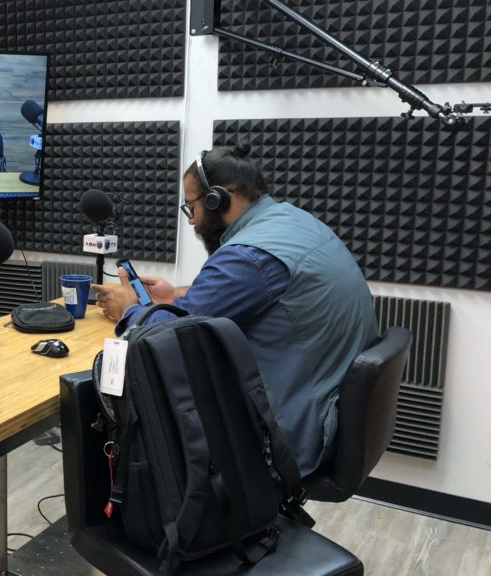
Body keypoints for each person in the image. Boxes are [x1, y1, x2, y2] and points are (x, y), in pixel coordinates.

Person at [93, 143, 379, 476]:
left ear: (219, 199)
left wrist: (129, 308)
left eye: (192, 208)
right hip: (329, 409)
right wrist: (176, 295)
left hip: (294, 435)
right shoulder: (291, 222)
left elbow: (162, 341)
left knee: (151, 403)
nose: (192, 222)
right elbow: (262, 295)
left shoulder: (247, 257)